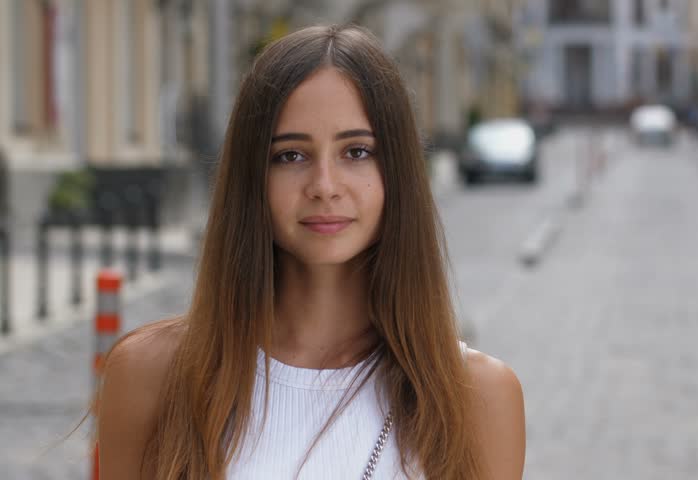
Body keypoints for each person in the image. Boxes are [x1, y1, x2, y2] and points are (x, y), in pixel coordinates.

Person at [95, 24, 525, 479]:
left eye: (357, 151)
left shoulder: (476, 395)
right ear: (252, 179)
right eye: (291, 156)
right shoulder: (149, 373)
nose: (324, 186)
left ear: (397, 172)